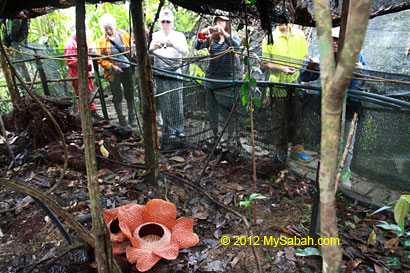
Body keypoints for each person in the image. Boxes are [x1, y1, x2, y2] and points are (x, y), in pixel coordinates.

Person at [262, 18, 311, 163]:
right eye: (279, 20)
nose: (283, 23)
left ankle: (297, 148)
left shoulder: (299, 35)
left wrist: (300, 67)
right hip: (278, 85)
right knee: (279, 117)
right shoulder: (270, 37)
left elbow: (303, 56)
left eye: (285, 20)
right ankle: (281, 149)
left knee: (296, 116)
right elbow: (265, 62)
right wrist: (282, 68)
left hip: (295, 83)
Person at [194, 15, 240, 147]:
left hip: (227, 81)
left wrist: (224, 34)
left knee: (228, 112)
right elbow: (197, 45)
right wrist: (202, 34)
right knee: (212, 110)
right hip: (211, 80)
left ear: (227, 23)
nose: (220, 23)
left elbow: (237, 48)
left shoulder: (231, 37)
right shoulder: (211, 39)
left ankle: (230, 138)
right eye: (218, 21)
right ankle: (215, 137)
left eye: (223, 21)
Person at [149, 9, 188, 140]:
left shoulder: (179, 35)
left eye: (168, 21)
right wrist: (154, 47)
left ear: (172, 22)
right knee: (166, 103)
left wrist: (174, 44)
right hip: (161, 72)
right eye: (163, 21)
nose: (165, 24)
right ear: (159, 22)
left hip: (176, 70)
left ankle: (179, 128)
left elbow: (185, 51)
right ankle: (169, 129)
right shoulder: (154, 35)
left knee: (177, 101)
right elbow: (148, 50)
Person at [97, 14, 136, 129]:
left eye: (110, 28)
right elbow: (100, 58)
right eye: (106, 29)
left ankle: (132, 117)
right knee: (117, 94)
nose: (108, 31)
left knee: (129, 92)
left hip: (126, 68)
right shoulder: (102, 41)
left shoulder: (124, 35)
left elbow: (131, 49)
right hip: (113, 72)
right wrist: (112, 67)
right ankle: (121, 119)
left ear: (114, 26)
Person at [64, 21, 98, 116]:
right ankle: (83, 114)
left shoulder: (82, 40)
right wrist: (86, 64)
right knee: (82, 93)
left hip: (86, 72)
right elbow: (70, 61)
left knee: (89, 92)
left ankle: (92, 112)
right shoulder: (70, 44)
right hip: (77, 73)